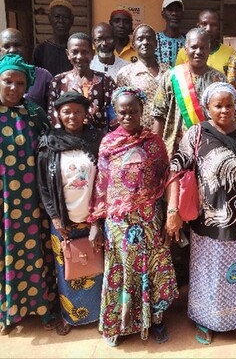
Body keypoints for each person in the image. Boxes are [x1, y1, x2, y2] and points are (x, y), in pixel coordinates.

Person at [166, 82, 236, 344]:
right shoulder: (196, 134)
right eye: (218, 105)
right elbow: (176, 171)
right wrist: (173, 209)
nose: (224, 110)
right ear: (207, 107)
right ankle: (205, 319)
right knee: (208, 273)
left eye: (229, 105)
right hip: (207, 220)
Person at [88, 87, 178, 347]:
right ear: (116, 112)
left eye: (134, 111)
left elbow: (166, 176)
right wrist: (95, 222)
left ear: (142, 111)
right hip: (118, 223)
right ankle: (118, 324)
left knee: (153, 269)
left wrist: (169, 215)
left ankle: (156, 320)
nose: (128, 116)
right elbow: (101, 185)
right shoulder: (108, 142)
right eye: (123, 112)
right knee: (122, 271)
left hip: (150, 218)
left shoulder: (154, 142)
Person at [0, 54, 58, 335]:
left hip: (31, 202)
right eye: (7, 81)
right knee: (6, 251)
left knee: (35, 251)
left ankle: (43, 307)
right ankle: (8, 312)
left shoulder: (33, 113)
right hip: (3, 204)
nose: (13, 88)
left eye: (19, 83)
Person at [36, 91, 103, 336]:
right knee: (67, 269)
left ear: (86, 114)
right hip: (63, 220)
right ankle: (70, 317)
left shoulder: (96, 140)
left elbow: (105, 181)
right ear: (58, 114)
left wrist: (97, 219)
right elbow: (43, 184)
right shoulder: (49, 142)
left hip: (92, 216)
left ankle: (97, 314)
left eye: (77, 111)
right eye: (66, 112)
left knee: (95, 267)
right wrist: (54, 216)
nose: (72, 116)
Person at [152, 27, 225, 158]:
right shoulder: (171, 76)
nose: (198, 52)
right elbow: (159, 115)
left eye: (203, 48)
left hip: (210, 149)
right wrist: (155, 151)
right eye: (194, 47)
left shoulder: (218, 79)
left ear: (209, 50)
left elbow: (224, 117)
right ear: (185, 50)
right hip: (176, 149)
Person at [47, 32, 116, 131]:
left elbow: (114, 117)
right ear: (68, 54)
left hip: (99, 142)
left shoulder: (106, 82)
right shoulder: (58, 81)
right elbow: (53, 116)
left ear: (92, 54)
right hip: (67, 142)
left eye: (85, 52)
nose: (80, 57)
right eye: (75, 52)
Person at [116, 24, 169, 128]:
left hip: (167, 133)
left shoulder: (169, 71)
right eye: (140, 39)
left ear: (156, 43)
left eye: (149, 38)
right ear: (134, 44)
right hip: (140, 133)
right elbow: (121, 108)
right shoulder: (125, 73)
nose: (145, 42)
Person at [0, 27, 52, 110]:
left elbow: (52, 111)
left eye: (17, 45)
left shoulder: (44, 76)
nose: (12, 50)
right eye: (6, 46)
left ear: (26, 47)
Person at [175, 9, 234, 74]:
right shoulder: (184, 52)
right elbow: (177, 77)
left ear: (218, 28)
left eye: (213, 25)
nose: (208, 29)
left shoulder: (230, 53)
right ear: (198, 26)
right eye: (204, 24)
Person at [33, 0, 74, 76]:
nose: (61, 21)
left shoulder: (77, 49)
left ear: (72, 20)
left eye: (65, 17)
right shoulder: (40, 51)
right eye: (57, 17)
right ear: (50, 19)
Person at [156, 0, 185, 66]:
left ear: (182, 14)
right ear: (163, 14)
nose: (174, 13)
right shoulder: (154, 40)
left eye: (177, 10)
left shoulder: (188, 42)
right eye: (170, 10)